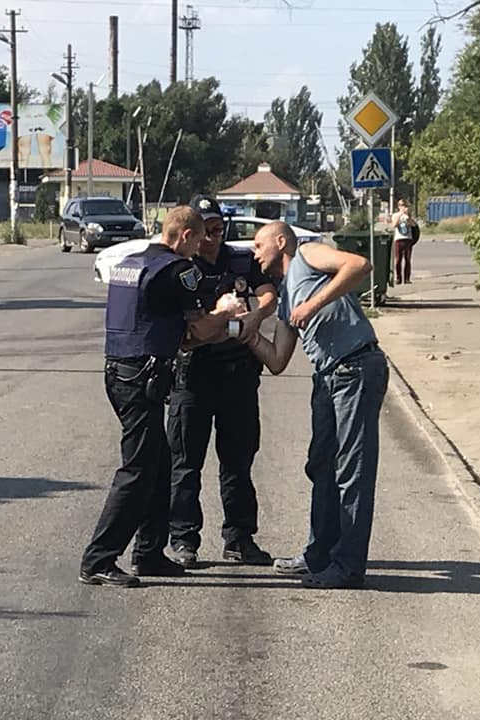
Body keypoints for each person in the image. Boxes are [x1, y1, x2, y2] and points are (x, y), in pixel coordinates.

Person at [79, 206, 236, 588]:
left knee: (160, 463)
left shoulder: (131, 263)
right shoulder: (177, 270)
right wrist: (227, 315)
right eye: (198, 239)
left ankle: (149, 552)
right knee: (136, 470)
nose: (201, 247)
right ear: (184, 235)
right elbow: (196, 330)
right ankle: (98, 558)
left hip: (120, 371)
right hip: (141, 377)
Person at [245, 221, 388, 589]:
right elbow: (277, 360)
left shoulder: (308, 255)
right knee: (321, 466)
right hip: (327, 377)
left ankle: (348, 566)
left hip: (355, 366)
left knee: (351, 470)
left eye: (259, 243)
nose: (253, 250)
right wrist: (244, 331)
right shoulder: (284, 294)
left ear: (281, 242)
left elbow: (358, 265)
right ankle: (318, 556)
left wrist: (313, 303)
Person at [166, 196, 278, 569]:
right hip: (194, 376)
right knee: (185, 464)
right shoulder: (181, 265)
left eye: (217, 229)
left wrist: (255, 315)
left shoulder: (241, 259)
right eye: (205, 230)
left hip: (238, 377)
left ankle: (240, 539)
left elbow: (268, 292)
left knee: (238, 463)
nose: (211, 238)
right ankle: (183, 540)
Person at [391, 199, 419, 284]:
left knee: (407, 259)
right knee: (398, 260)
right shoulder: (395, 215)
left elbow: (414, 225)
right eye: (402, 205)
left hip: (408, 239)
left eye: (405, 205)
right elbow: (394, 225)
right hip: (399, 239)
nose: (403, 207)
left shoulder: (408, 216)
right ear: (399, 206)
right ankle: (398, 278)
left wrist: (408, 217)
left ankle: (407, 278)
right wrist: (400, 215)